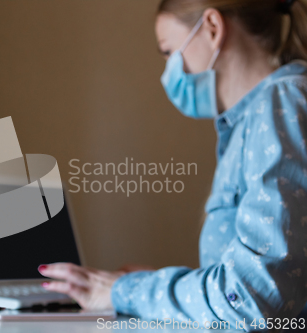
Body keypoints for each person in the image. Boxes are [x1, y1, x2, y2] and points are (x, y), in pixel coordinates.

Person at [38, 0, 307, 331]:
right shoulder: (253, 121)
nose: (168, 71)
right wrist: (160, 284)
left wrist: (128, 291)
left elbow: (252, 301)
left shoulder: (281, 104)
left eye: (168, 52)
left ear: (212, 27)